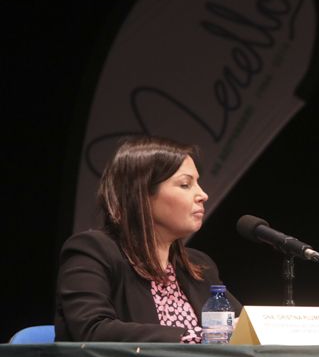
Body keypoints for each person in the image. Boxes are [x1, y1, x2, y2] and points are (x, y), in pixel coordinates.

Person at [55, 136, 240, 342]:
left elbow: (242, 326)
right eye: (186, 184)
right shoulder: (93, 251)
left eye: (198, 183)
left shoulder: (199, 266)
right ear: (141, 194)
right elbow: (92, 329)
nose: (203, 194)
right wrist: (192, 337)